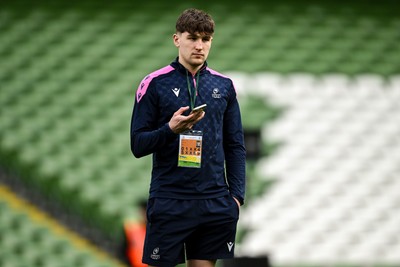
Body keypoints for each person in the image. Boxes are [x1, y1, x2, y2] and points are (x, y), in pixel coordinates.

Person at [130, 8, 246, 267]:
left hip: (214, 201)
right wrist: (170, 129)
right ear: (176, 39)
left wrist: (236, 198)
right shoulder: (154, 83)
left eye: (206, 39)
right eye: (192, 38)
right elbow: (137, 144)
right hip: (170, 199)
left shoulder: (224, 85)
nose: (199, 45)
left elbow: (235, 145)